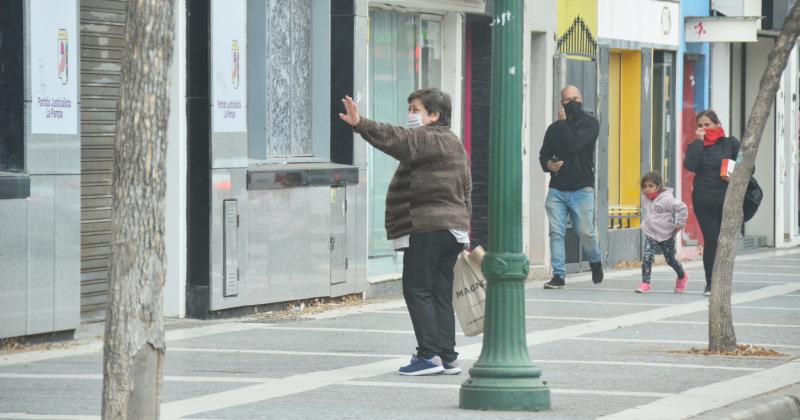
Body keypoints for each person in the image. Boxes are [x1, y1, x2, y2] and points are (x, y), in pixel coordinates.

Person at [339, 88, 472, 376]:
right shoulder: (454, 143)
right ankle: (448, 357)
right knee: (439, 293)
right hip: (453, 230)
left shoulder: (426, 138)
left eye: (415, 109)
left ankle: (428, 356)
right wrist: (465, 229)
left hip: (427, 227)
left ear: (434, 115)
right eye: (409, 108)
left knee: (417, 288)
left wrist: (360, 123)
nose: (410, 114)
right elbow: (467, 187)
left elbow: (395, 138)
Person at [539, 85, 603, 289]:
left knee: (586, 232)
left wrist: (563, 122)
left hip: (582, 188)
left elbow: (574, 145)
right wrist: (549, 164)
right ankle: (559, 275)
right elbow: (544, 155)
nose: (573, 103)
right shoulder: (553, 129)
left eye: (576, 99)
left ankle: (595, 260)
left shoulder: (591, 123)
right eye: (568, 100)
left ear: (581, 98)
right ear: (561, 102)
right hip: (557, 188)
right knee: (556, 232)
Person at [684, 109, 740, 297]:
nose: (703, 128)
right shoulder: (696, 146)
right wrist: (699, 142)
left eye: (707, 124)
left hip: (727, 199)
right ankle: (710, 283)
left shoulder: (730, 143)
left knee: (724, 242)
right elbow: (690, 165)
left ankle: (723, 280)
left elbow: (748, 166)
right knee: (711, 241)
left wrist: (733, 174)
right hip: (704, 200)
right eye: (700, 125)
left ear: (717, 124)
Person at [637, 171, 689, 294]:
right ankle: (645, 283)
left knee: (670, 260)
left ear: (658, 186)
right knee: (647, 256)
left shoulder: (667, 200)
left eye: (650, 186)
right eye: (644, 186)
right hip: (650, 233)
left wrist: (679, 224)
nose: (647, 189)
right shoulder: (645, 199)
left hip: (666, 235)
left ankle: (682, 276)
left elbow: (682, 208)